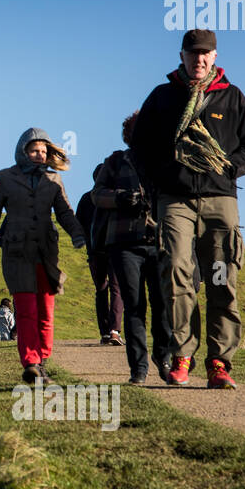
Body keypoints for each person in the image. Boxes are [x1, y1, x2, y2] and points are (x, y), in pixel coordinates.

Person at [130, 29, 245, 390]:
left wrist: (229, 168)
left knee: (221, 279)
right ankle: (182, 354)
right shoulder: (163, 96)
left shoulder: (233, 98)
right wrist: (159, 183)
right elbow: (140, 147)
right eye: (193, 54)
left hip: (221, 202)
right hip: (175, 201)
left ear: (214, 56)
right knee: (176, 272)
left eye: (206, 54)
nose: (199, 60)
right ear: (182, 56)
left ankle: (219, 363)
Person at [0, 127, 86, 386]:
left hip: (47, 254)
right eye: (34, 150)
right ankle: (31, 363)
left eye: (43, 151)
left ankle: (42, 363)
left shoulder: (54, 181)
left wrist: (78, 234)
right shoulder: (4, 178)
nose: (40, 155)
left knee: (46, 312)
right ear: (22, 152)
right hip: (17, 253)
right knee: (26, 310)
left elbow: (64, 212)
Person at [94, 113, 173, 384]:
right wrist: (121, 198)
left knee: (163, 305)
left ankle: (162, 357)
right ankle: (138, 368)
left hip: (159, 242)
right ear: (129, 136)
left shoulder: (166, 162)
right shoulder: (116, 161)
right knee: (134, 306)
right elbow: (97, 194)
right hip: (124, 244)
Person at [76, 175, 124, 345]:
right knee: (117, 289)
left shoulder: (86, 198)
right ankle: (114, 331)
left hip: (95, 251)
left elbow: (78, 224)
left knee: (101, 290)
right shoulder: (116, 197)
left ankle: (104, 331)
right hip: (115, 248)